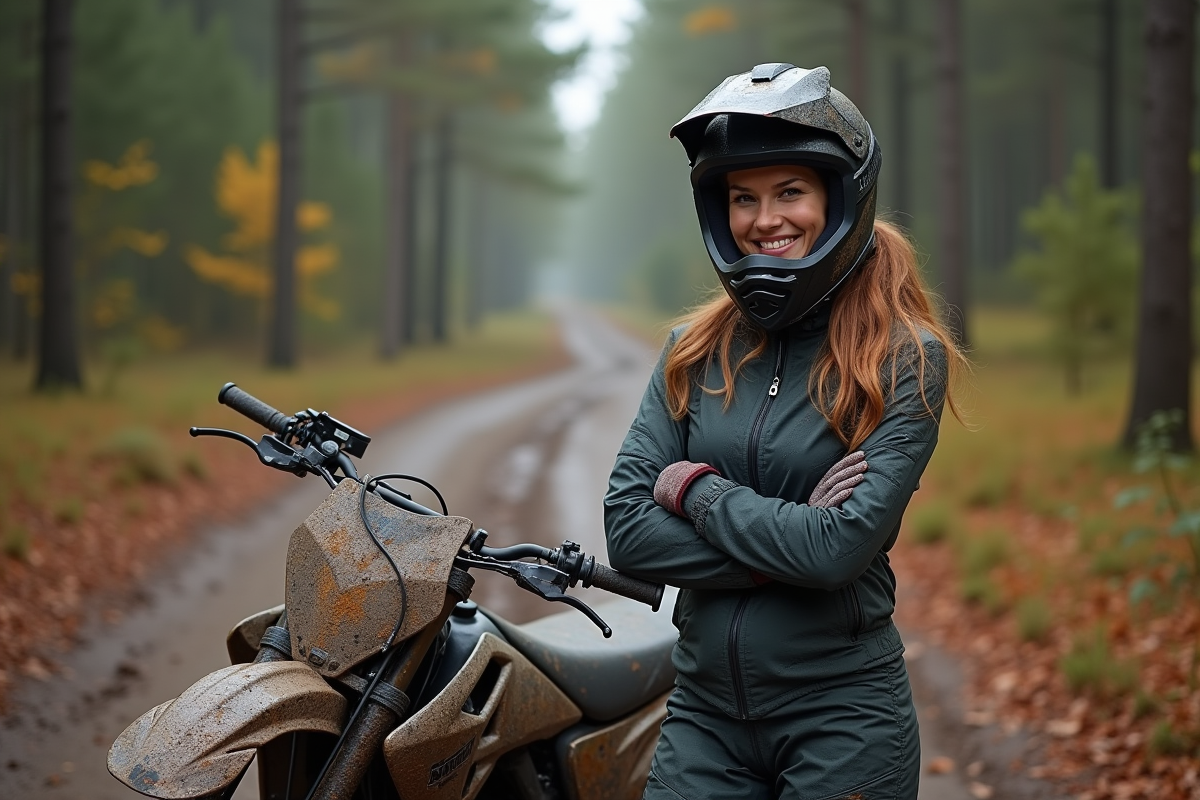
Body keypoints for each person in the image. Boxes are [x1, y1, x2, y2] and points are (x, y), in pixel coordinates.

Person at [604, 63, 967, 800]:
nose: (765, 218)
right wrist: (795, 544)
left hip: (845, 721)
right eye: (743, 198)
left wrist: (696, 491)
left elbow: (839, 551)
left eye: (790, 192)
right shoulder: (691, 350)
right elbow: (628, 532)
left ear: (840, 196)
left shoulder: (904, 360)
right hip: (704, 716)